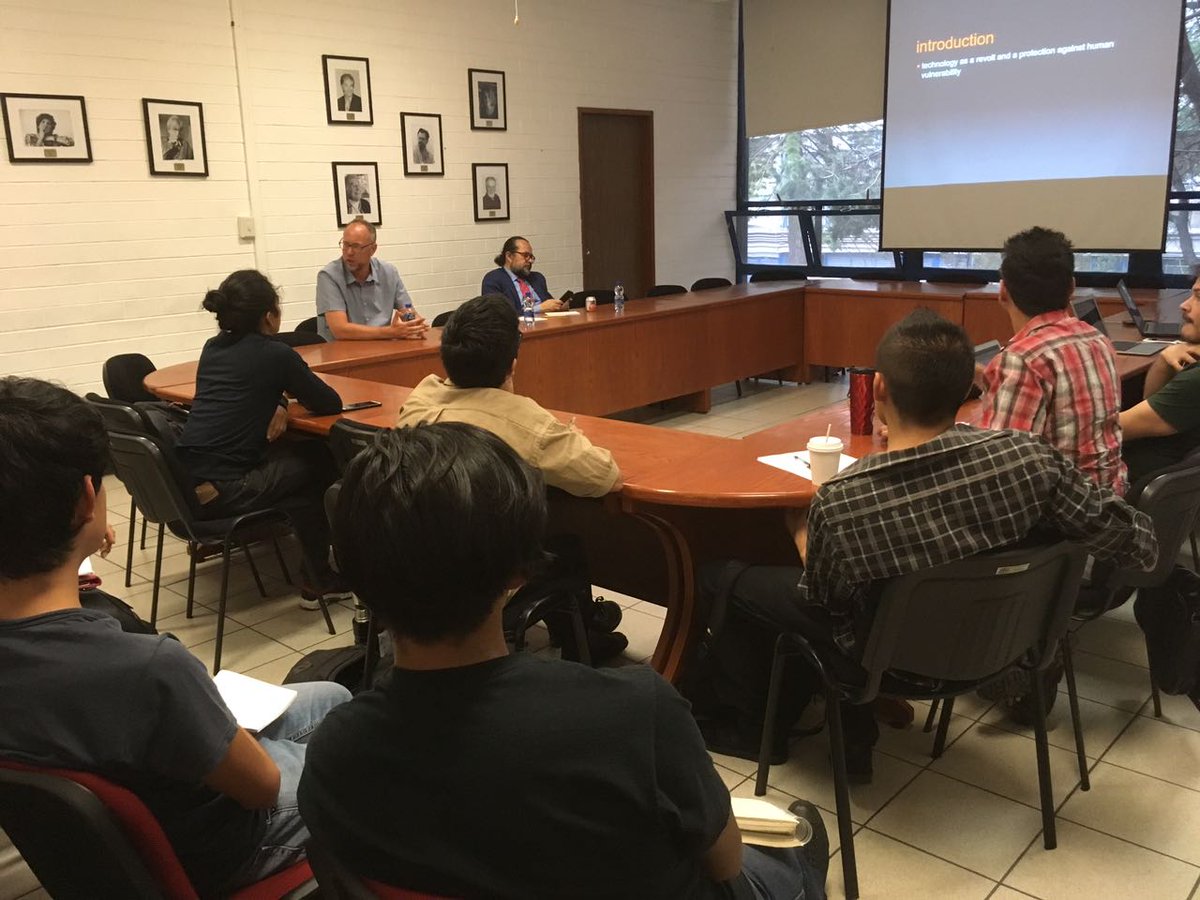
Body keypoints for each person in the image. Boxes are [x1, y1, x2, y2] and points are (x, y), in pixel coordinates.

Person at [298, 422, 829, 900]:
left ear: (350, 574)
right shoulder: (636, 716)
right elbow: (725, 862)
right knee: (791, 847)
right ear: (518, 572)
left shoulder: (333, 754)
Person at [689, 311, 1157, 780]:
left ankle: (756, 731)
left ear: (879, 390)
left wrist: (799, 533)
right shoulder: (1030, 459)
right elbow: (1137, 541)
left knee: (721, 577)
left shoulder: (844, 500)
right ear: (969, 391)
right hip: (1003, 645)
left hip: (890, 666)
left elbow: (825, 604)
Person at [0, 376, 351, 897]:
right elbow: (261, 788)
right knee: (362, 758)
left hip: (139, 817)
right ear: (86, 497)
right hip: (226, 845)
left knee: (333, 697)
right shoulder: (145, 668)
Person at [396, 293, 625, 659]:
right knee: (565, 547)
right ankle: (585, 643)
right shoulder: (524, 424)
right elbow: (605, 477)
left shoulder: (421, 399)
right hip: (483, 575)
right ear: (512, 363)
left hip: (417, 562)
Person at [176, 269, 348, 609]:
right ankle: (321, 577)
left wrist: (280, 401)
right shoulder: (275, 354)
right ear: (269, 316)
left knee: (301, 484)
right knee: (323, 458)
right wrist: (283, 396)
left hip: (187, 486)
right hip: (228, 489)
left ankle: (316, 575)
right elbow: (329, 403)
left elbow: (255, 389)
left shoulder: (212, 348)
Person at [979, 226, 1127, 494]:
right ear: (1072, 287)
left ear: (1002, 291)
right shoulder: (1098, 340)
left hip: (1060, 523)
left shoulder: (1023, 359)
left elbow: (1000, 472)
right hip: (1109, 505)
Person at [1121, 274, 1200, 483]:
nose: (1184, 305)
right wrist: (1164, 361)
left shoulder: (1195, 381)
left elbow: (1113, 430)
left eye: (1199, 297)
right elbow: (1152, 399)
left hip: (1132, 490)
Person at [315, 219, 428, 341]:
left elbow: (407, 309)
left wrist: (413, 325)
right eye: (346, 244)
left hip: (382, 348)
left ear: (372, 249)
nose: (349, 252)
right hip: (342, 352)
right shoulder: (329, 276)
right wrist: (391, 332)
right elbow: (340, 330)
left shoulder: (388, 272)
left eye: (356, 246)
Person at [480, 235, 566, 313]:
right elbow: (497, 315)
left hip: (546, 325)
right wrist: (539, 309)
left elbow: (548, 305)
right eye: (525, 255)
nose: (530, 260)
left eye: (531, 257)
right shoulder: (493, 279)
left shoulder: (537, 278)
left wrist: (558, 306)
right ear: (509, 256)